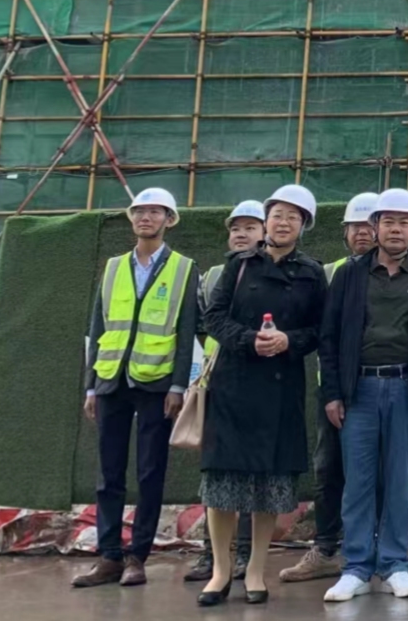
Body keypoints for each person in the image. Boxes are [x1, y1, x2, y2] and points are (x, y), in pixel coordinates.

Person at [196, 183, 327, 607]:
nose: (283, 222)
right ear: (266, 221)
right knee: (222, 485)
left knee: (268, 486)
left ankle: (255, 570)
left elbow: (319, 330)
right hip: (232, 386)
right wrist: (248, 339)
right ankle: (220, 571)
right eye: (277, 215)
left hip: (280, 387)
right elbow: (213, 317)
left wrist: (289, 341)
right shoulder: (238, 265)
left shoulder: (312, 273)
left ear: (303, 226)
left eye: (293, 217)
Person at [318, 189, 408, 602]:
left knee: (399, 480)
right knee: (357, 481)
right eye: (388, 221)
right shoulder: (350, 275)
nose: (396, 229)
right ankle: (356, 567)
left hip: (407, 388)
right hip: (359, 390)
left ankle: (395, 564)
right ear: (374, 227)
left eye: (404, 222)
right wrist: (333, 393)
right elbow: (329, 336)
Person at [73, 187, 199, 590]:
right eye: (140, 211)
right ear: (132, 218)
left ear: (169, 220)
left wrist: (178, 385)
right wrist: (91, 386)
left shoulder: (184, 268)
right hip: (111, 381)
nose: (146, 217)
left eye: (155, 211)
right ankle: (109, 556)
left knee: (150, 473)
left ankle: (137, 557)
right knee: (108, 474)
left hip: (156, 383)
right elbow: (97, 328)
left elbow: (186, 332)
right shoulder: (113, 268)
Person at [281, 192, 381, 584]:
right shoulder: (329, 274)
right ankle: (325, 549)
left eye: (368, 225)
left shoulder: (396, 273)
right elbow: (317, 333)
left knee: (380, 471)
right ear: (344, 232)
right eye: (354, 226)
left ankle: (376, 549)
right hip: (334, 392)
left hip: (380, 389)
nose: (362, 232)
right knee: (329, 471)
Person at [185, 200, 263, 585]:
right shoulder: (214, 275)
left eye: (250, 227)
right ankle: (212, 554)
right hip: (217, 383)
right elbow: (200, 328)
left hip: (259, 383)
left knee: (253, 471)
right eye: (235, 228)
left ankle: (246, 552)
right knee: (217, 472)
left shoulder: (272, 273)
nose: (241, 234)